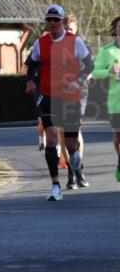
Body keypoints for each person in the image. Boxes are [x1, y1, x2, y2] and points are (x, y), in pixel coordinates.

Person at [24, 4, 94, 200]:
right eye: (49, 19)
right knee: (52, 138)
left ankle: (76, 162)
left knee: (71, 144)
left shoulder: (75, 41)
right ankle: (55, 185)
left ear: (62, 21)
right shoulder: (40, 43)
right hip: (48, 94)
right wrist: (30, 81)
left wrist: (78, 80)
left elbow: (90, 65)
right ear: (46, 22)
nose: (52, 22)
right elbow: (32, 64)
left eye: (56, 19)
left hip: (70, 96)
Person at [90, 15, 120, 182]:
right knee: (118, 136)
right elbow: (95, 72)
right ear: (115, 30)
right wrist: (109, 71)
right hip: (116, 101)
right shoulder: (107, 51)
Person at [63, 14, 88, 188]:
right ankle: (71, 172)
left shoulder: (82, 45)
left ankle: (78, 170)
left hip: (79, 92)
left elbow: (90, 68)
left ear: (76, 29)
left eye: (71, 29)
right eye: (65, 29)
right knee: (62, 134)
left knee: (75, 130)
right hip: (59, 92)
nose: (68, 32)